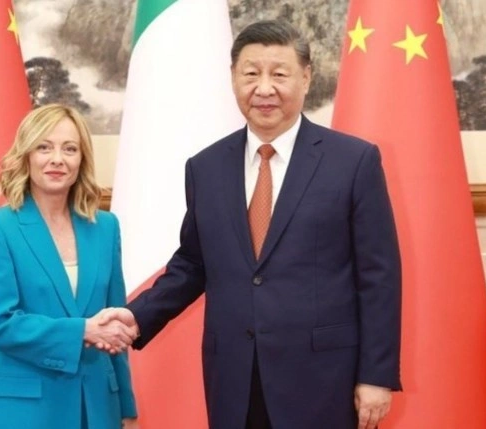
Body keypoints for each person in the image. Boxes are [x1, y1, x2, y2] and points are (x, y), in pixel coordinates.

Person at [98, 20, 401, 429]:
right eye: (251, 73)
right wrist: (137, 317)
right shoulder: (205, 167)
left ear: (306, 77)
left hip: (325, 379)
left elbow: (379, 277)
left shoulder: (353, 162)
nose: (264, 88)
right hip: (235, 378)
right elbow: (193, 265)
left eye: (279, 74)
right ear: (233, 78)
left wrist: (376, 375)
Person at [0, 104, 139, 429]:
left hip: (99, 409)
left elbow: (114, 325)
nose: (57, 159)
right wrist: (83, 330)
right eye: (44, 147)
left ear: (82, 159)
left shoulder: (106, 227)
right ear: (27, 156)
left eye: (69, 149)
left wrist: (128, 409)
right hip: (26, 413)